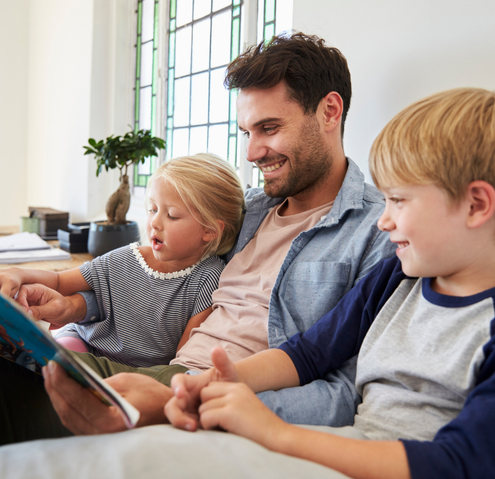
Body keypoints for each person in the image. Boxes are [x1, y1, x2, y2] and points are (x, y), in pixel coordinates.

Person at [0, 32, 395, 444]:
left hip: (203, 399)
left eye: (270, 127)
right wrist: (54, 292)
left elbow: (347, 392)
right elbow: (154, 274)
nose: (252, 152)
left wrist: (197, 405)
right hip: (168, 374)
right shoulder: (246, 211)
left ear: (330, 111)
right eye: (246, 132)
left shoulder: (378, 232)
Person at [165, 88, 495, 479]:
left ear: (476, 205)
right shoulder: (397, 278)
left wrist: (275, 434)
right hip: (344, 451)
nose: (383, 220)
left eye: (399, 201)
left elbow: (458, 463)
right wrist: (221, 381)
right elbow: (308, 354)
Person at [0, 153, 245, 368]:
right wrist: (17, 274)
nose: (155, 223)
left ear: (210, 231)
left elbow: (184, 357)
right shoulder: (128, 258)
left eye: (171, 215)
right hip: (84, 345)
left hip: (138, 373)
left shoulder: (209, 277)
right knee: (53, 363)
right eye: (152, 209)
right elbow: (58, 281)